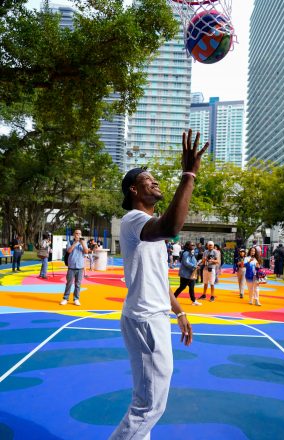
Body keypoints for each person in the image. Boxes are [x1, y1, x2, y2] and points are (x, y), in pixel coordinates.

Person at [109, 129, 208, 440]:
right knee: (149, 406)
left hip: (154, 316)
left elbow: (158, 280)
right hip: (145, 320)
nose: (155, 182)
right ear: (134, 191)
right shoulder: (134, 220)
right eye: (147, 180)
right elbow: (172, 225)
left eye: (155, 178)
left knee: (146, 402)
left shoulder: (148, 226)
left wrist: (179, 313)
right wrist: (189, 173)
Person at [60, 229, 88, 306]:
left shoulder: (83, 242)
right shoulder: (70, 242)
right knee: (69, 283)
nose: (78, 235)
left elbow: (86, 251)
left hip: (80, 267)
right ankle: (65, 298)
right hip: (71, 266)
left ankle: (76, 299)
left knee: (78, 284)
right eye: (76, 233)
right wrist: (75, 242)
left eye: (79, 234)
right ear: (74, 234)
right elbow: (69, 251)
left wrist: (82, 243)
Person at [174, 241, 202, 306]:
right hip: (185, 274)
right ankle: (173, 298)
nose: (193, 246)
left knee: (191, 287)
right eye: (191, 245)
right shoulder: (186, 253)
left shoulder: (190, 253)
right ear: (187, 246)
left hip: (190, 273)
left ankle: (193, 300)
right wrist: (194, 266)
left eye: (193, 245)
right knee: (182, 287)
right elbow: (186, 262)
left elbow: (192, 261)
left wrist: (197, 264)